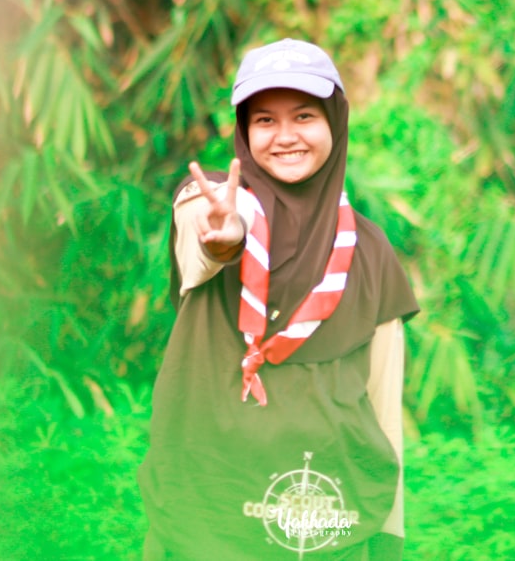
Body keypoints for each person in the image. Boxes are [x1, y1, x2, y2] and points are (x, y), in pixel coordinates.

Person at [137, 38, 418, 560]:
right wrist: (226, 237)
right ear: (244, 132)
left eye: (305, 115)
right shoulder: (211, 198)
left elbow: (383, 404)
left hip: (324, 517)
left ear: (335, 120)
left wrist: (389, 535)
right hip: (206, 503)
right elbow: (207, 238)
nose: (285, 137)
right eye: (264, 120)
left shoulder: (371, 251)